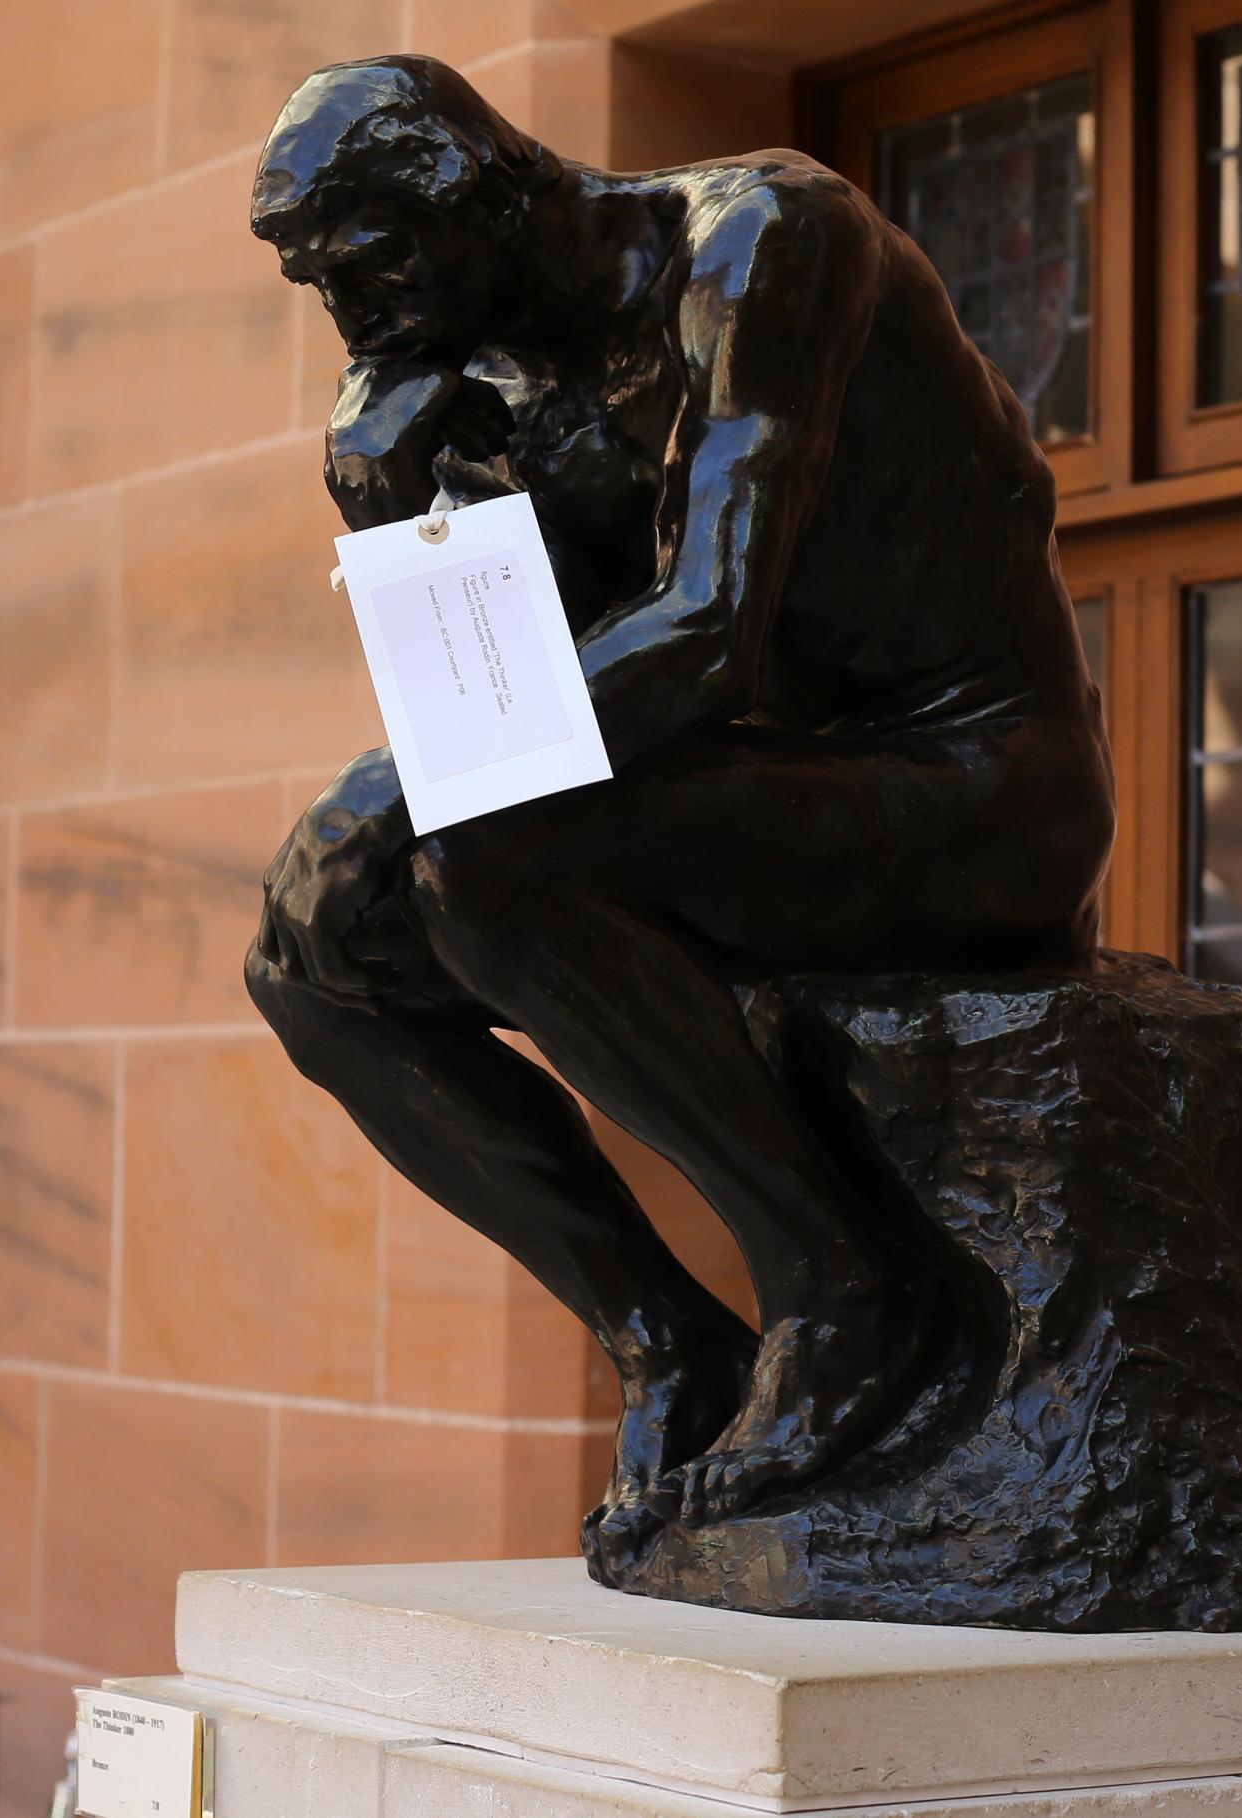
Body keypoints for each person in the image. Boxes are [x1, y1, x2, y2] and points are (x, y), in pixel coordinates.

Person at [244, 56, 1114, 1561]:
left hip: (976, 786)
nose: (347, 314)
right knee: (310, 953)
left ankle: (846, 1285)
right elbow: (516, 706)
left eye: (366, 263)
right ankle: (662, 1333)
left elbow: (707, 633)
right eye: (316, 283)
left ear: (476, 190)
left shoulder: (763, 240)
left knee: (475, 852)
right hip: (752, 803)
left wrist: (399, 790)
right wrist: (398, 513)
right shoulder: (492, 390)